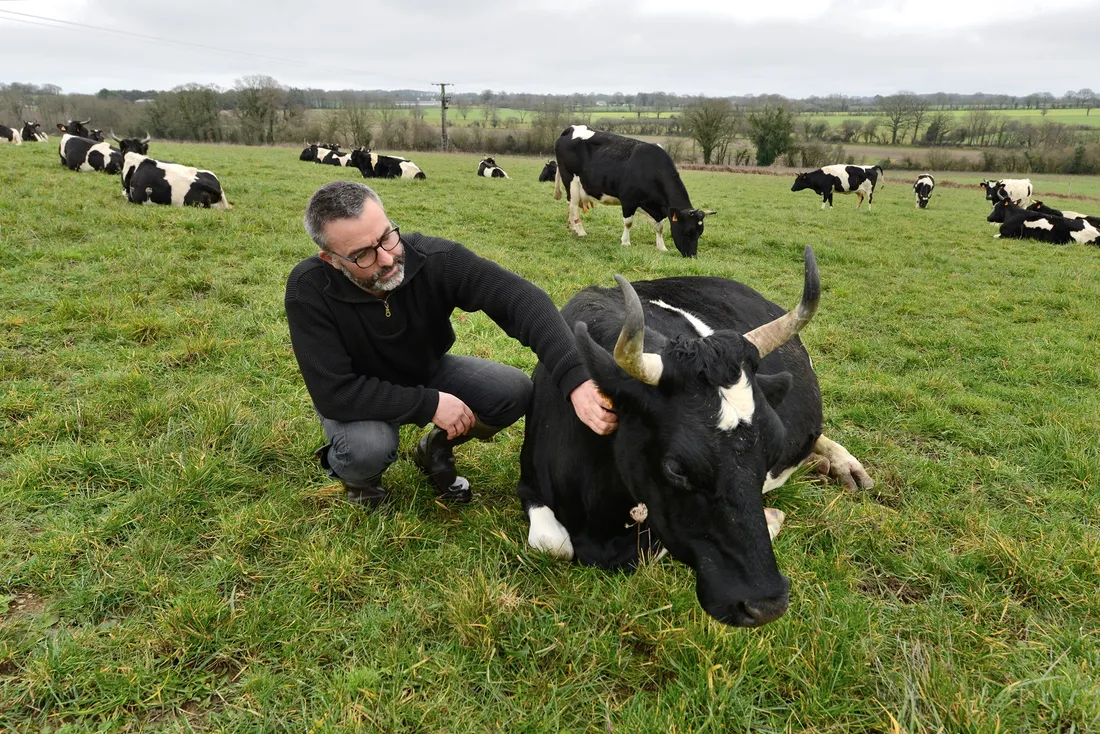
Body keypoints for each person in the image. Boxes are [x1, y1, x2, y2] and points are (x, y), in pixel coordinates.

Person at [286, 180, 617, 507]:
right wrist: (429, 404)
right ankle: (361, 482)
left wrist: (576, 378)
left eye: (387, 237)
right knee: (369, 446)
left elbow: (520, 299)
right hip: (358, 394)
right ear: (331, 259)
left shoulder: (434, 258)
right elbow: (335, 394)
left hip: (425, 370)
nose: (386, 259)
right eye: (362, 255)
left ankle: (434, 449)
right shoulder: (309, 289)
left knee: (512, 391)